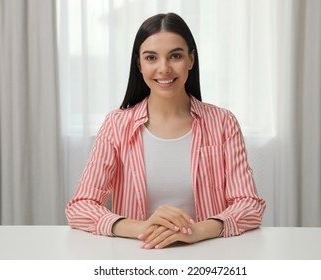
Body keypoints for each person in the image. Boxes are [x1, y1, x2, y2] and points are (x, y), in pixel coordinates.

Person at [66, 12, 266, 249]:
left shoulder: (222, 122)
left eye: (176, 56)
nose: (164, 68)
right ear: (139, 64)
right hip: (136, 256)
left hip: (209, 256)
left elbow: (249, 204)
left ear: (191, 60)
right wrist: (141, 228)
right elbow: (80, 206)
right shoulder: (116, 125)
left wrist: (198, 230)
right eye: (151, 57)